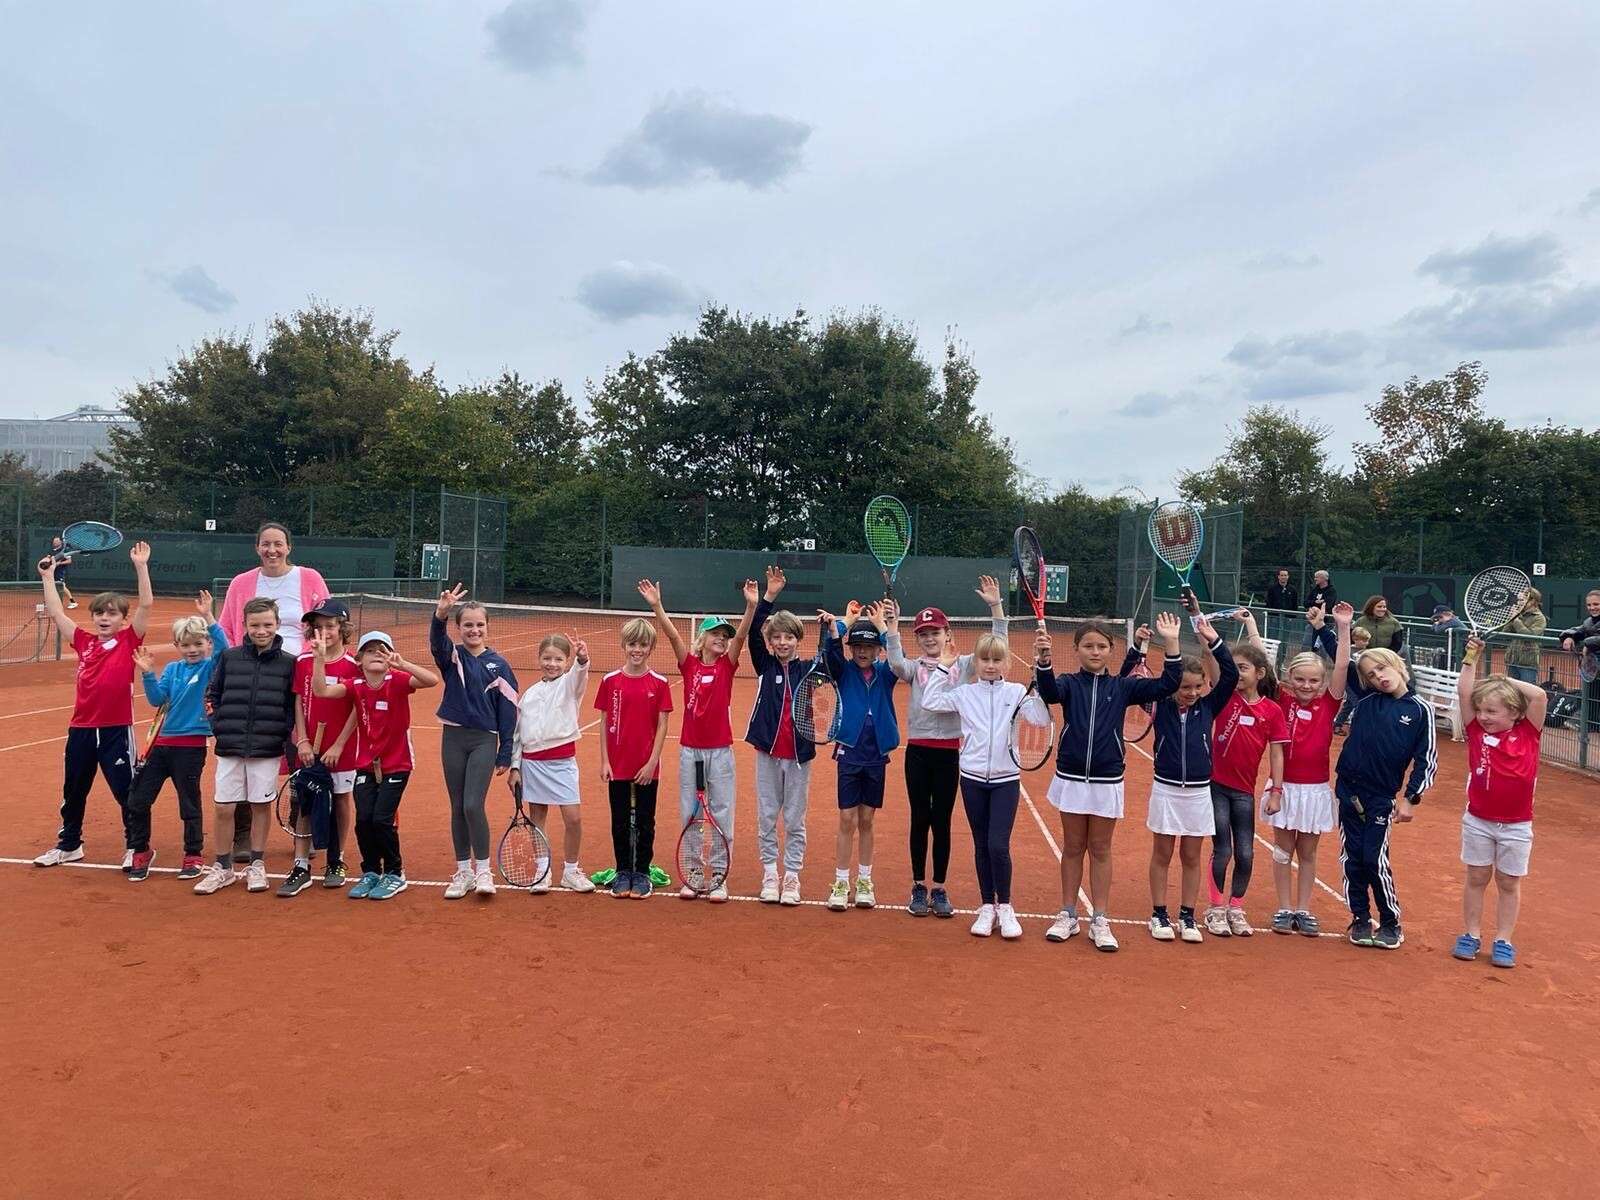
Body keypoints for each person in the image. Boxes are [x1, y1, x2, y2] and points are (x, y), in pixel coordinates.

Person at [1034, 610, 1182, 951]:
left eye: (1101, 646)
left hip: (1107, 779)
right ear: (1076, 649)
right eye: (1088, 646)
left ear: (1111, 650)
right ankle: (1067, 913)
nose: (1095, 651)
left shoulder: (1123, 686)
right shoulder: (1069, 683)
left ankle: (1099, 918)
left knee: (1100, 848)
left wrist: (1172, 643)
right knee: (1073, 847)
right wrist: (1043, 661)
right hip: (1071, 777)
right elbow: (1049, 692)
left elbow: (1168, 684)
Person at [883, 575, 1006, 917]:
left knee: (942, 820)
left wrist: (996, 607)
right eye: (923, 634)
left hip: (949, 753)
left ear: (947, 634)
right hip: (918, 753)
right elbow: (895, 662)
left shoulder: (964, 665)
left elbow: (996, 648)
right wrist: (892, 627)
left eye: (935, 632)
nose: (929, 638)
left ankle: (939, 887)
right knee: (919, 818)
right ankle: (918, 886)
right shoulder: (914, 668)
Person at [31, 543, 154, 869]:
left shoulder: (129, 640)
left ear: (123, 619)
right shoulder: (83, 641)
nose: (104, 618)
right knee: (73, 790)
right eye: (99, 613)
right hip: (81, 730)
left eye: (112, 613)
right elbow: (57, 613)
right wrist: (48, 577)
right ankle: (69, 845)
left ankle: (136, 846)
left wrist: (141, 566)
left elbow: (146, 605)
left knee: (126, 791)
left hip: (116, 730)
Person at [919, 633, 1049, 940]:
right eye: (984, 659)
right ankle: (987, 906)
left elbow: (1041, 719)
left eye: (996, 660)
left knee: (997, 844)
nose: (990, 665)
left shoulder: (1017, 692)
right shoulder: (965, 693)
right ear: (975, 662)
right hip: (973, 779)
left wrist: (1041, 678)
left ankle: (1006, 907)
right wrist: (944, 666)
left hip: (1006, 780)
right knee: (981, 844)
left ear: (1007, 663)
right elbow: (929, 700)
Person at [218, 523, 332, 865]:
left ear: (289, 547)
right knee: (247, 747)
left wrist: (321, 662)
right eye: (265, 544)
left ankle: (302, 826)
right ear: (257, 547)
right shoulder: (241, 583)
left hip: (300, 678)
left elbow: (325, 624)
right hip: (254, 677)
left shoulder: (309, 578)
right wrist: (236, 666)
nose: (272, 550)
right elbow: (227, 628)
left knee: (302, 750)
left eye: (278, 544)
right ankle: (242, 833)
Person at [637, 578, 756, 904]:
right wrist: (657, 606)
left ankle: (718, 877)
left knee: (722, 814)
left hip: (721, 753)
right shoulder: (689, 665)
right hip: (690, 752)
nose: (722, 639)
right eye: (716, 634)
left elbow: (742, 636)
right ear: (702, 639)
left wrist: (750, 606)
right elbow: (673, 636)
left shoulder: (727, 666)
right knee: (690, 814)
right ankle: (691, 874)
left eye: (724, 636)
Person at [312, 629, 438, 901]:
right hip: (366, 765)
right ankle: (370, 871)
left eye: (383, 651)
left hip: (398, 764)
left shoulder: (398, 680)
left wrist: (402, 664)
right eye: (370, 651)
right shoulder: (355, 685)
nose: (377, 655)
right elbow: (321, 691)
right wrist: (319, 659)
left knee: (382, 819)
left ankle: (394, 872)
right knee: (363, 820)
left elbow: (432, 680)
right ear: (359, 660)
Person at [1139, 616, 1237, 944]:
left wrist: (1214, 641)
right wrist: (1141, 646)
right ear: (1172, 687)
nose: (1193, 693)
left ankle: (1187, 915)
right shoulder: (1159, 706)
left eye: (1198, 686)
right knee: (1162, 853)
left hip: (1197, 793)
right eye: (1185, 687)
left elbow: (1230, 676)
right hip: (1166, 790)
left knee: (1192, 856)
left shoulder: (1209, 706)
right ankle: (1159, 913)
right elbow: (1130, 680)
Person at [1451, 636, 1545, 969]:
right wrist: (1471, 657)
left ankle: (1504, 940)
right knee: (1477, 877)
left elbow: (1539, 695)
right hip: (1478, 820)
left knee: (1508, 882)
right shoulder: (1476, 731)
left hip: (1517, 825)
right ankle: (1471, 934)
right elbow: (1465, 692)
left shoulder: (1529, 733)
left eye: (1492, 711)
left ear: (1515, 712)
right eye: (1480, 710)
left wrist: (1501, 679)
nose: (1484, 716)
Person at [194, 597, 297, 894]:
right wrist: (219, 726)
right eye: (255, 625)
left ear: (277, 624)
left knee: (260, 806)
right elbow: (211, 695)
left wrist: (281, 732)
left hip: (267, 748)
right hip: (230, 746)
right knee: (224, 807)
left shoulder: (289, 663)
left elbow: (293, 706)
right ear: (245, 626)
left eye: (267, 624)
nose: (261, 630)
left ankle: (257, 864)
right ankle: (223, 867)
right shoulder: (229, 658)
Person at [1261, 602, 1353, 935]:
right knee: (1283, 850)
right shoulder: (1281, 700)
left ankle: (1303, 908)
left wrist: (1343, 626)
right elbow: (1263, 666)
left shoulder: (1329, 704)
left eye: (1313, 680)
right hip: (1284, 787)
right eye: (1299, 679)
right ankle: (1284, 908)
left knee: (1308, 852)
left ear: (1322, 682)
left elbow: (1342, 664)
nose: (1306, 685)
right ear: (1289, 678)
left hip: (1314, 790)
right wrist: (1254, 630)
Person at [1335, 647, 1437, 949]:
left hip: (1380, 797)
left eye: (1381, 668)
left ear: (1397, 664)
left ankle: (1391, 922)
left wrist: (1411, 798)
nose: (1378, 676)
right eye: (1370, 674)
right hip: (1349, 791)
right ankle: (1360, 918)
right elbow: (1339, 657)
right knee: (1352, 858)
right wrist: (1336, 628)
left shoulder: (1420, 710)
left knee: (1374, 859)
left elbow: (1426, 760)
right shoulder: (1365, 699)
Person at [126, 591, 229, 881]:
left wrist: (209, 617)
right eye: (185, 645)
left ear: (207, 644)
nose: (192, 649)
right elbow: (157, 700)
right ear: (177, 646)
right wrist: (147, 674)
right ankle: (141, 850)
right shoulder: (172, 669)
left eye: (198, 643)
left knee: (189, 803)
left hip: (191, 747)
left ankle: (193, 853)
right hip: (160, 745)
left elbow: (224, 648)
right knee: (138, 800)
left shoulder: (211, 667)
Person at [431, 584, 520, 900]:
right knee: (457, 806)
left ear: (487, 627)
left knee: (472, 804)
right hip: (453, 737)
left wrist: (505, 753)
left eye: (479, 624)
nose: (474, 630)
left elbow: (508, 713)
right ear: (459, 627)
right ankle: (464, 872)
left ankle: (483, 870)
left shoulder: (500, 665)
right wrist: (440, 615)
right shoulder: (452, 657)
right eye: (467, 624)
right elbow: (437, 643)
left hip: (484, 740)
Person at [1204, 610, 1288, 937]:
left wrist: (1276, 792)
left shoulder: (1272, 710)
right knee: (1222, 849)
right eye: (1233, 667)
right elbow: (1213, 663)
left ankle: (1236, 907)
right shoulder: (1224, 698)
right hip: (1215, 786)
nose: (1236, 673)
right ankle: (1215, 908)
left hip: (1244, 792)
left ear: (1259, 673)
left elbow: (1277, 752)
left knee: (1246, 853)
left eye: (1243, 668)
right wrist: (1202, 629)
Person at [818, 601, 901, 911]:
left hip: (876, 754)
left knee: (867, 819)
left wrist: (883, 627)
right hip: (849, 752)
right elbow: (830, 652)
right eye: (858, 646)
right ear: (851, 649)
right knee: (846, 818)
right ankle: (841, 882)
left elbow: (899, 657)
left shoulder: (887, 672)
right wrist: (843, 624)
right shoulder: (843, 671)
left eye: (869, 646)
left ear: (878, 649)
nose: (863, 651)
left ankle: (865, 881)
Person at [745, 567, 816, 906]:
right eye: (777, 638)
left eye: (789, 637)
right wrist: (768, 597)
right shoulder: (766, 665)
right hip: (768, 754)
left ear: (797, 640)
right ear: (771, 642)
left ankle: (792, 877)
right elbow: (753, 634)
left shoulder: (809, 670)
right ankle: (770, 873)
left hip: (799, 757)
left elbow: (833, 660)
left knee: (795, 820)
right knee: (767, 816)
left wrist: (837, 628)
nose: (783, 642)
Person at [280, 600, 360, 896]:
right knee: (305, 800)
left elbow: (357, 709)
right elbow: (299, 701)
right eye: (318, 627)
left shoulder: (353, 665)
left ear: (342, 628)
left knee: (340, 800)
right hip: (308, 747)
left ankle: (336, 861)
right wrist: (301, 739)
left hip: (342, 748)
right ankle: (301, 865)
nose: (323, 632)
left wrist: (338, 745)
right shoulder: (302, 661)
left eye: (330, 626)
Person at [510, 633, 596, 895]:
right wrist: (515, 767)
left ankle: (571, 871)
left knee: (573, 818)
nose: (552, 664)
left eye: (558, 659)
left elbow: (579, 675)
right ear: (539, 659)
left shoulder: (570, 685)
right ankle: (542, 869)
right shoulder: (528, 695)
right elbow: (517, 735)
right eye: (547, 658)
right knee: (537, 818)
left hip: (562, 763)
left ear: (566, 661)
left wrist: (582, 659)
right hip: (533, 764)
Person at [593, 618, 673, 899]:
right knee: (619, 821)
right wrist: (605, 761)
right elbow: (604, 721)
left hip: (647, 767)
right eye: (632, 644)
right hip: (617, 765)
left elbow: (662, 726)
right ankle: (623, 871)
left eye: (643, 644)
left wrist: (652, 763)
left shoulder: (660, 683)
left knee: (645, 821)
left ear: (651, 648)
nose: (637, 649)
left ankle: (642, 873)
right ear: (623, 645)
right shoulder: (609, 681)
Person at [1557, 589, 1600, 739]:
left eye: (1596, 604)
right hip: (1593, 669)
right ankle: (1593, 725)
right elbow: (1577, 630)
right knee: (1592, 695)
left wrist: (1587, 643)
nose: (1592, 607)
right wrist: (1569, 637)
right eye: (1589, 605)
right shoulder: (1589, 622)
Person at [1502, 587, 1547, 684]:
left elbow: (1529, 636)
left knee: (1527, 690)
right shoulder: (1518, 614)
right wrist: (1511, 619)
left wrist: (1516, 620)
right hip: (1512, 660)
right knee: (1512, 690)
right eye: (1518, 600)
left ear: (1532, 601)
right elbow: (1505, 633)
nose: (1518, 603)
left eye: (1522, 600)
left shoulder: (1539, 618)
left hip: (1528, 663)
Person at [1265, 569, 1298, 640]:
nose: (1283, 577)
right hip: (1274, 617)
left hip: (1287, 617)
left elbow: (1295, 604)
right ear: (1278, 577)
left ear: (1288, 576)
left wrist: (1292, 616)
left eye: (1285, 575)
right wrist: (1271, 614)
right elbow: (1268, 602)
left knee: (1285, 637)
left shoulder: (1293, 589)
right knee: (1272, 635)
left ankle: (1283, 648)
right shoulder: (1272, 588)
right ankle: (1272, 647)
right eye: (1282, 575)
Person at [50, 536, 78, 609]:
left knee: (62, 586)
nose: (54, 542)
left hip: (60, 572)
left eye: (56, 541)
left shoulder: (65, 551)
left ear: (60, 542)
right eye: (54, 541)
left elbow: (69, 561)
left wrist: (59, 563)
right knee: (52, 587)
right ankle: (50, 602)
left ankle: (73, 602)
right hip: (52, 571)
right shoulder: (53, 550)